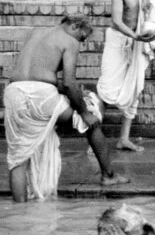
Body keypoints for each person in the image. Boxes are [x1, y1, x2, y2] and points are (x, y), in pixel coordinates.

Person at [5, 16, 129, 202]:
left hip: (13, 92)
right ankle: (108, 176)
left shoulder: (36, 33)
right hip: (42, 96)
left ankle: (19, 209)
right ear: (74, 26)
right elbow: (69, 84)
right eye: (82, 38)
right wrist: (85, 113)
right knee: (92, 120)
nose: (81, 42)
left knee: (17, 157)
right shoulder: (69, 40)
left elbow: (36, 76)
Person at [96, 0, 155, 152]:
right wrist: (136, 37)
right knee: (105, 88)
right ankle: (95, 140)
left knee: (135, 88)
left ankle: (124, 139)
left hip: (139, 43)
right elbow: (117, 21)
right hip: (118, 41)